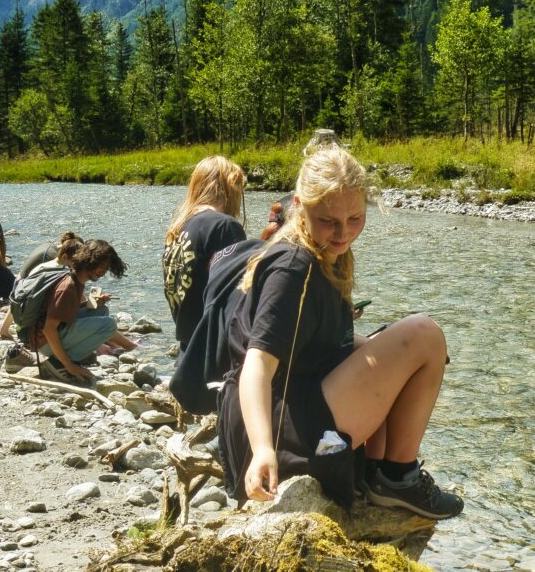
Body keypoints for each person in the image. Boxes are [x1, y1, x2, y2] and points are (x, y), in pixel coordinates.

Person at [218, 146, 464, 519]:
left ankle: (374, 475)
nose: (343, 232)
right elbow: (257, 365)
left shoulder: (320, 250)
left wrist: (396, 361)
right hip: (278, 427)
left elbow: (324, 346)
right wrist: (263, 449)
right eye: (328, 220)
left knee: (392, 343)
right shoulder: (293, 267)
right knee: (424, 334)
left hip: (290, 410)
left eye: (355, 218)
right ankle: (397, 479)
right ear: (300, 204)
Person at [163, 155, 246, 351]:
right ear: (232, 186)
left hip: (187, 345)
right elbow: (239, 293)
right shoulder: (224, 226)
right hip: (214, 349)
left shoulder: (178, 227)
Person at [30, 240, 131, 384]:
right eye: (101, 266)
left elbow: (67, 311)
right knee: (109, 325)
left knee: (101, 310)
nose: (103, 272)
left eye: (106, 268)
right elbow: (48, 329)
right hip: (44, 342)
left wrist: (93, 303)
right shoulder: (67, 287)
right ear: (89, 261)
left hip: (48, 336)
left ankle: (67, 356)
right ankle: (58, 363)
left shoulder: (76, 279)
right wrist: (69, 366)